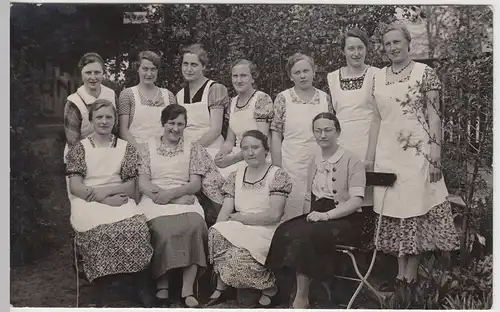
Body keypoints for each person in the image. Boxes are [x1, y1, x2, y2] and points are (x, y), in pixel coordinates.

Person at [367, 23, 459, 289]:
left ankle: (411, 277)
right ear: (383, 49)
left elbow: (434, 117)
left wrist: (435, 156)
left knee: (414, 210)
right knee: (394, 213)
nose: (393, 48)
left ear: (408, 43)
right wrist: (370, 159)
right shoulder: (378, 77)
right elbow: (376, 121)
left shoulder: (424, 73)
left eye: (397, 42)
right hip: (387, 156)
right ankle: (399, 277)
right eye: (388, 44)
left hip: (417, 155)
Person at [266, 112, 372, 309]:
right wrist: (309, 217)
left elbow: (356, 202)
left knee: (305, 237)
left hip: (346, 219)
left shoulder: (352, 161)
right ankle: (280, 289)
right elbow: (310, 196)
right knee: (284, 231)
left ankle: (302, 297)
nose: (323, 135)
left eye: (328, 130)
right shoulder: (314, 160)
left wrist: (326, 216)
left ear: (338, 132)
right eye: (318, 130)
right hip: (319, 214)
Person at [65, 99, 154, 307]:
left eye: (108, 117)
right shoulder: (80, 148)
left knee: (137, 229)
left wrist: (109, 196)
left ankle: (139, 284)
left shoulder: (125, 148)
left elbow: (130, 185)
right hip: (87, 201)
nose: (104, 121)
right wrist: (103, 198)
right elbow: (76, 186)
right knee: (100, 233)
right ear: (91, 120)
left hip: (120, 198)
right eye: (99, 117)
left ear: (115, 121)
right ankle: (103, 289)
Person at [137, 104, 224, 308]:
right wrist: (170, 198)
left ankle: (188, 288)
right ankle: (163, 284)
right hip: (155, 199)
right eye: (171, 123)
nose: (175, 129)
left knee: (195, 226)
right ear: (162, 123)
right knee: (164, 231)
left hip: (186, 197)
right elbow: (143, 183)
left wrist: (176, 195)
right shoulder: (147, 147)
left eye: (180, 124)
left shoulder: (192, 147)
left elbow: (195, 184)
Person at [206, 130, 292, 308]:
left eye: (255, 147)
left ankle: (269, 287)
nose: (250, 153)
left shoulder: (276, 175)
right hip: (241, 226)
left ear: (266, 150)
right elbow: (227, 209)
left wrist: (242, 219)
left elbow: (274, 215)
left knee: (236, 259)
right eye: (245, 148)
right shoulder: (236, 175)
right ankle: (222, 284)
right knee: (215, 233)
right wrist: (217, 231)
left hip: (266, 230)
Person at [270, 52, 334, 221]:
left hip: (320, 163)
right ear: (291, 76)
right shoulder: (283, 98)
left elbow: (331, 134)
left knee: (318, 211)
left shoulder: (324, 98)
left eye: (306, 71)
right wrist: (277, 168)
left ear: (314, 71)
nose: (303, 75)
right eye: (297, 72)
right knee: (291, 213)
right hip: (291, 163)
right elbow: (275, 135)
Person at [327, 28, 379, 207]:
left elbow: (380, 116)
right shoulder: (332, 78)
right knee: (344, 200)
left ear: (366, 49)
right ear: (343, 51)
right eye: (351, 48)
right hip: (342, 147)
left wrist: (371, 156)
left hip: (371, 146)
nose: (356, 53)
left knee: (371, 200)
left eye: (360, 48)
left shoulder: (377, 75)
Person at [214, 60, 274, 178]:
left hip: (256, 156)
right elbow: (230, 141)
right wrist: (222, 155)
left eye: (243, 76)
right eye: (235, 76)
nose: (239, 80)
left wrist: (232, 160)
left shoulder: (261, 99)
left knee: (221, 177)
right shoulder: (232, 102)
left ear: (253, 78)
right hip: (236, 154)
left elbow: (261, 141)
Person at [176, 44, 229, 158]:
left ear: (203, 66)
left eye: (194, 65)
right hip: (185, 150)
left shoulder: (214, 89)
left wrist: (193, 150)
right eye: (185, 64)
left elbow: (216, 130)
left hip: (211, 149)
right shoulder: (179, 95)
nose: (188, 69)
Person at [63, 52, 116, 162]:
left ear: (103, 73)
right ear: (81, 75)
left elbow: (116, 129)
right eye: (88, 73)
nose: (93, 77)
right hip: (80, 159)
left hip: (108, 155)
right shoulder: (74, 102)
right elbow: (73, 142)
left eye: (97, 72)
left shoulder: (111, 95)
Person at [118, 51, 177, 146]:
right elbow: (123, 130)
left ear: (158, 71)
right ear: (138, 69)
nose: (149, 74)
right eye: (145, 69)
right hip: (135, 151)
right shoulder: (127, 95)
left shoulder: (168, 96)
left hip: (164, 152)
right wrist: (140, 150)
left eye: (153, 69)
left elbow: (174, 127)